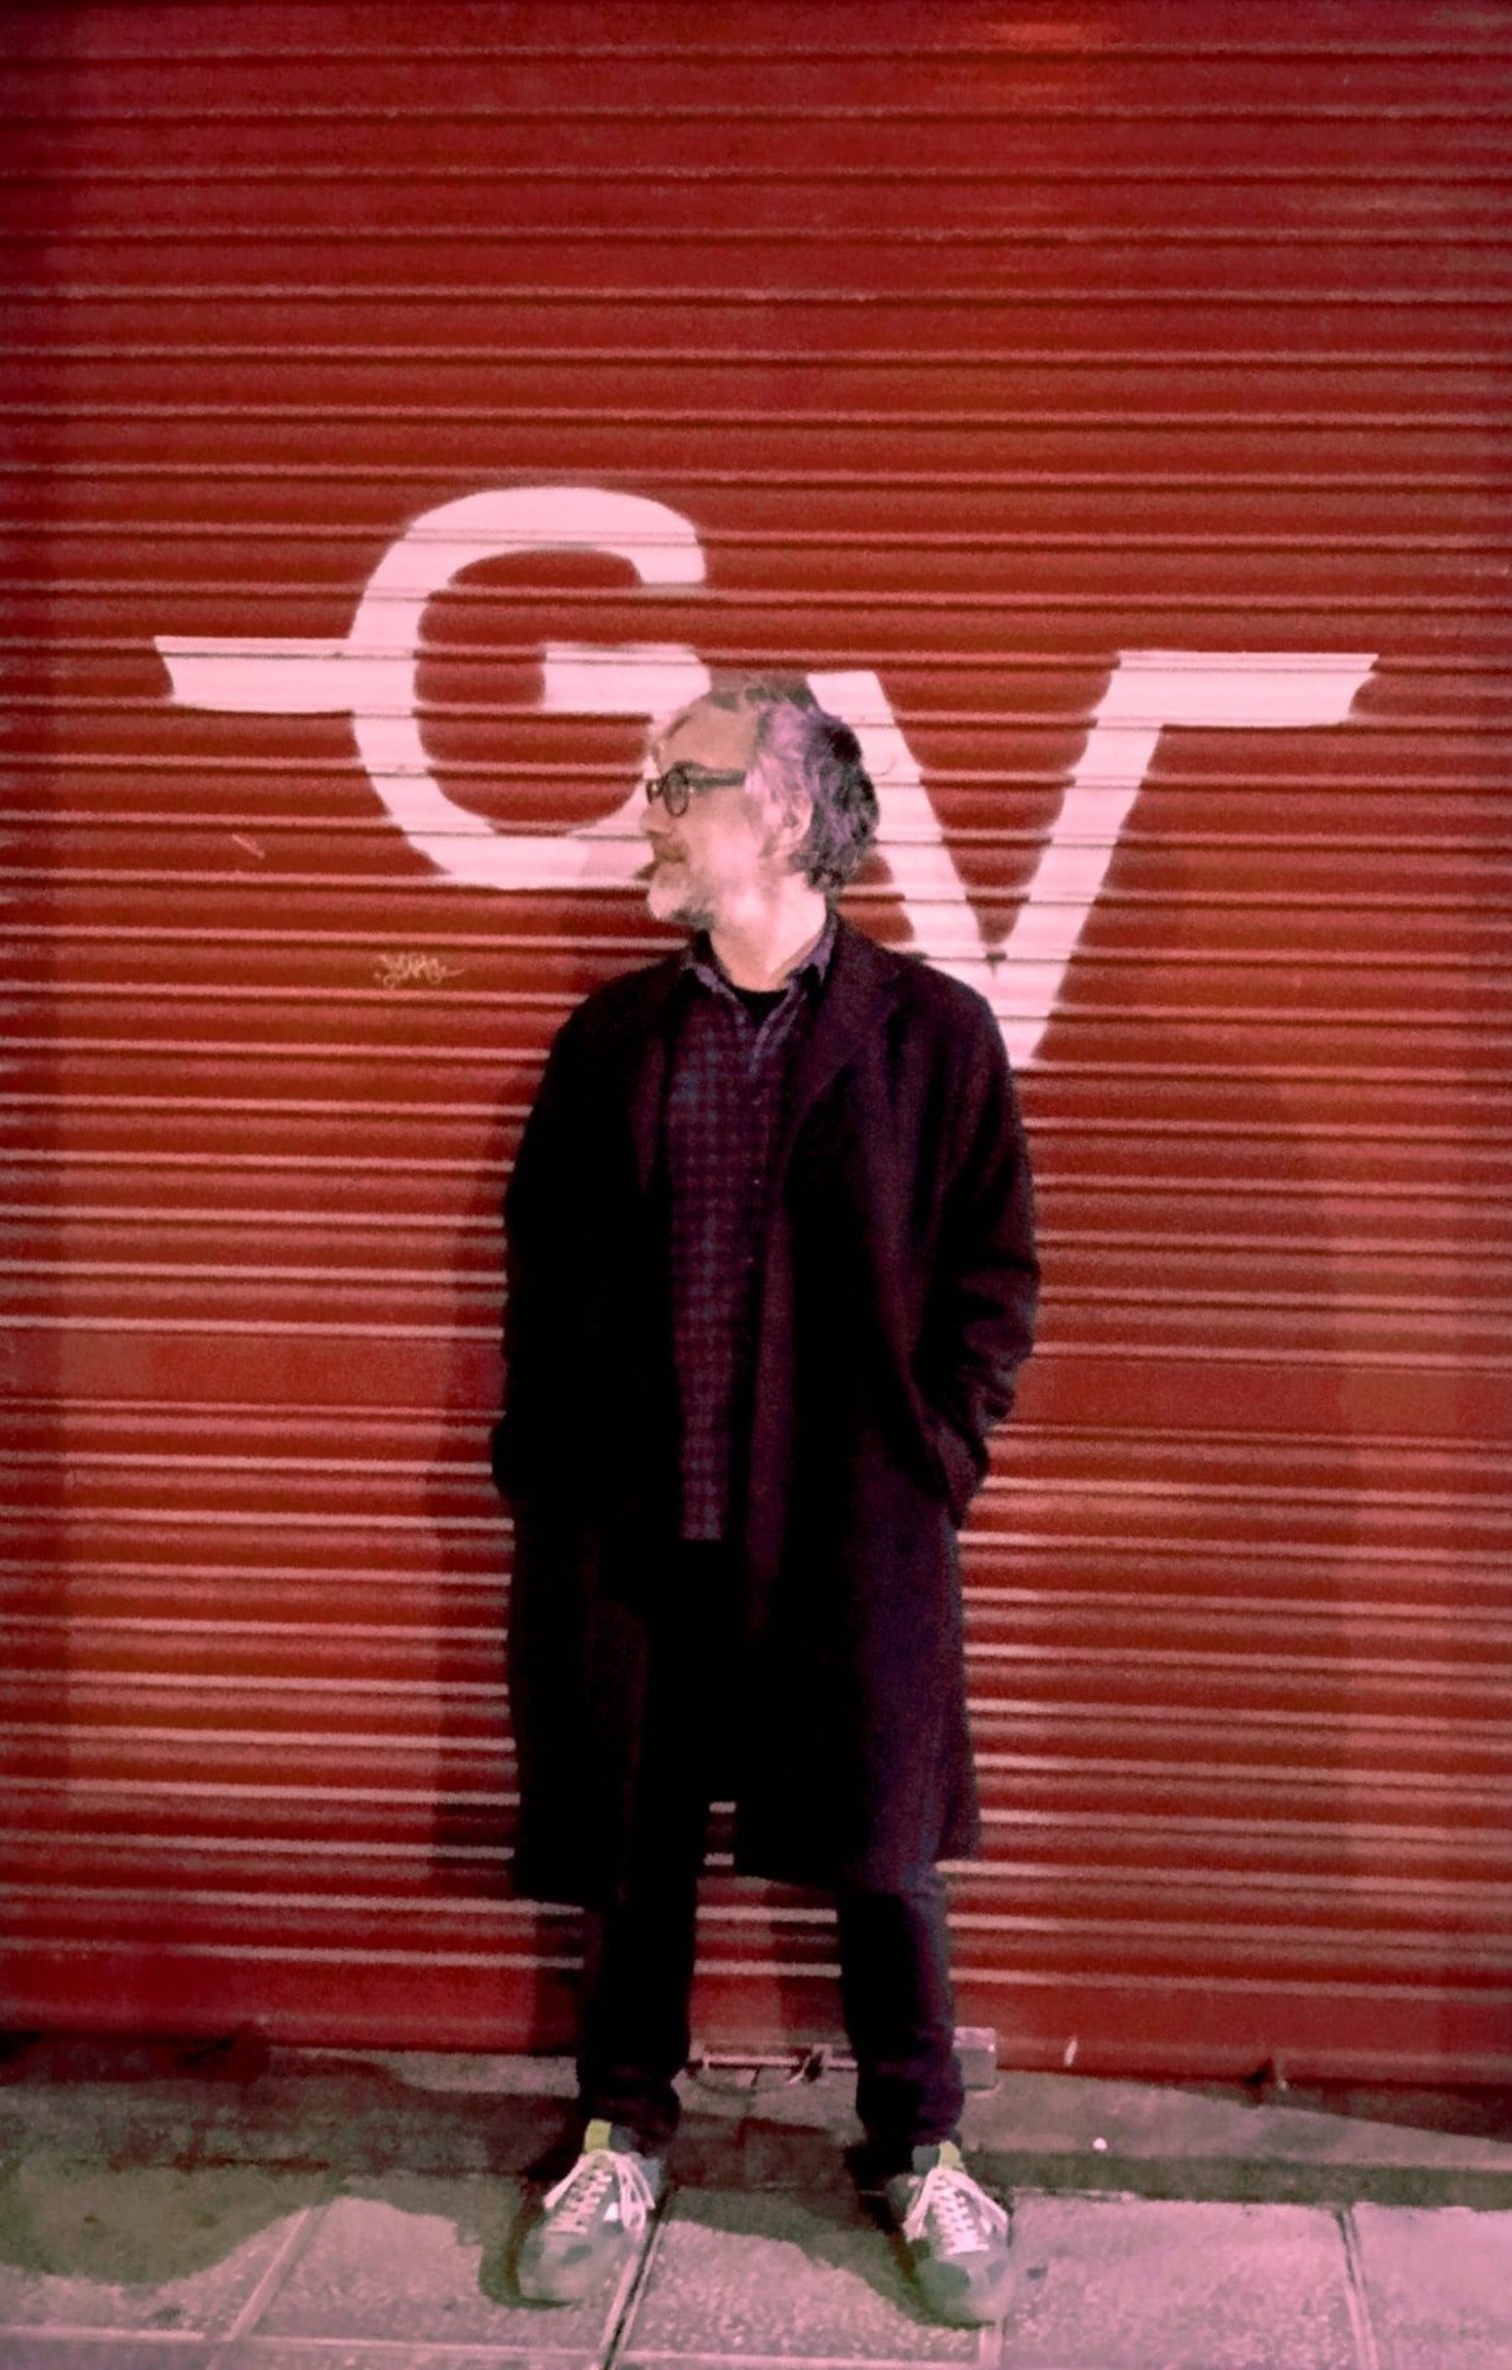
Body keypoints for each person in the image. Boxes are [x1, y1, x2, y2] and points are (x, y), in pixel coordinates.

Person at [493, 675, 1038, 2326]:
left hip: (847, 1527)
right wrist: (545, 1473)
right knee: (633, 1848)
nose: (649, 810)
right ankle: (621, 2129)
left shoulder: (929, 1034)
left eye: (680, 781)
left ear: (788, 810)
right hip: (639, 1530)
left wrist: (936, 1453)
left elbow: (995, 1277)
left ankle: (921, 2145)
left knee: (883, 1852)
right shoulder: (611, 1045)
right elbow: (541, 1276)